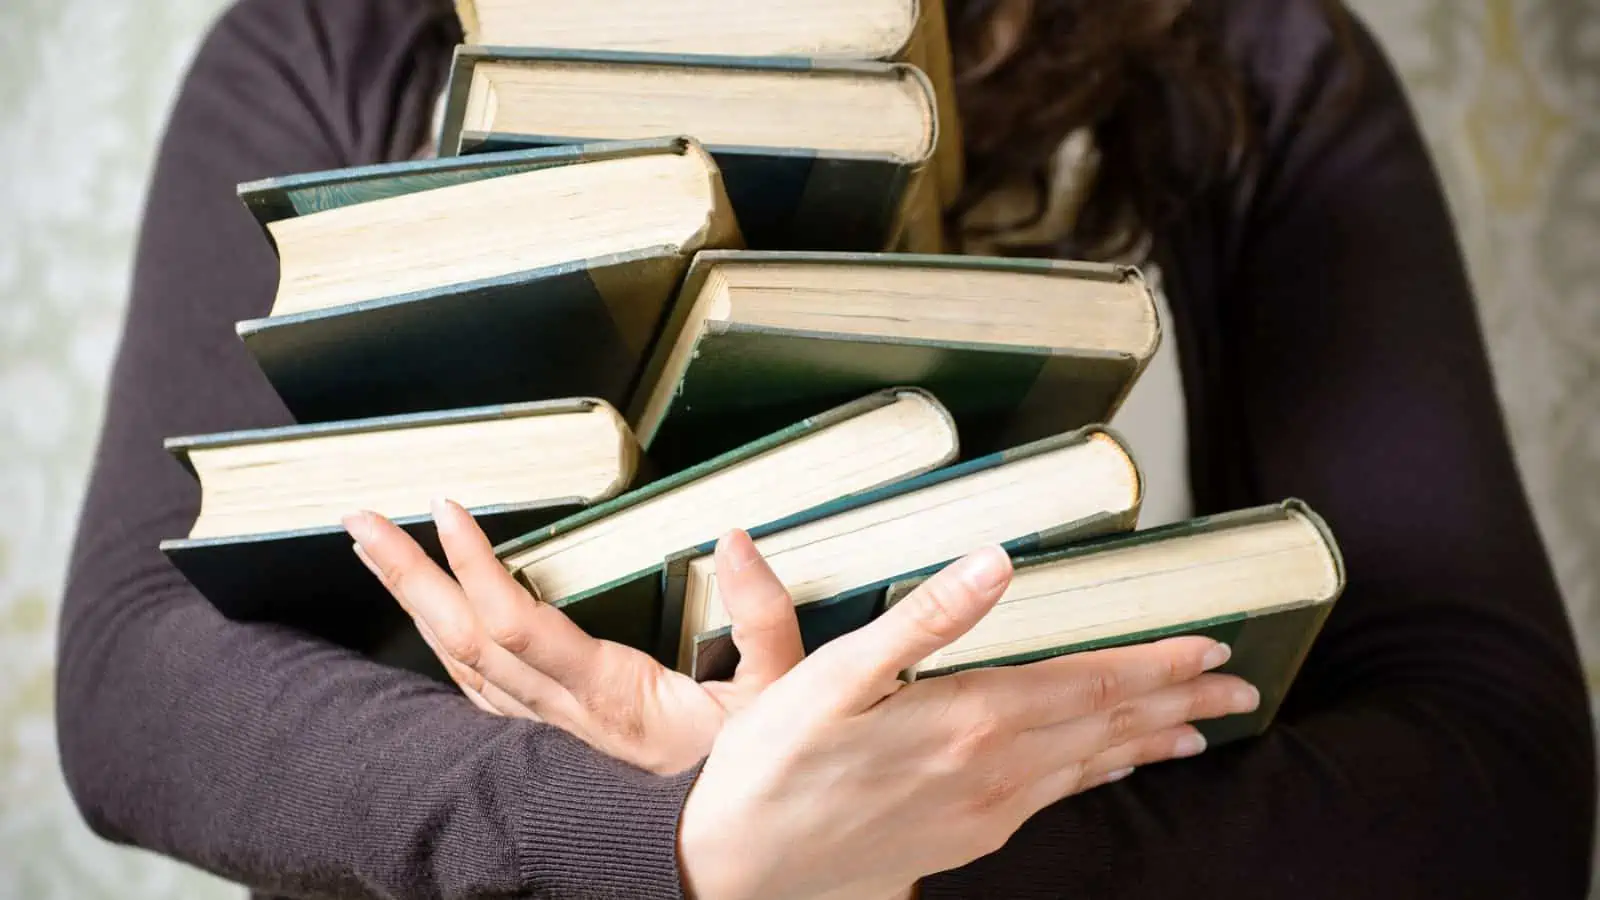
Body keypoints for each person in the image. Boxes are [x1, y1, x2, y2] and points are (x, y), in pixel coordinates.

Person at [55, 0, 1594, 898]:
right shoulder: (338, 37)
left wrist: (889, 831)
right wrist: (671, 833)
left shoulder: (1242, 59)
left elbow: (1499, 763)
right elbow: (139, 679)